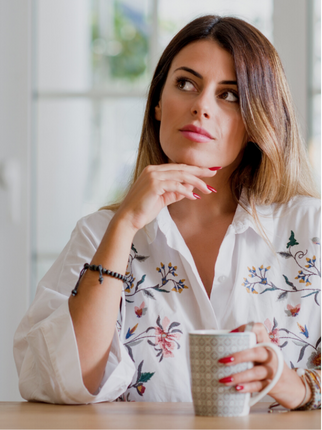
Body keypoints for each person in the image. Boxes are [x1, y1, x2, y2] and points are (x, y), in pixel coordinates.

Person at [14, 15, 320, 409]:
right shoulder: (100, 234)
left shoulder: (312, 229)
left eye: (229, 95)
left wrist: (295, 386)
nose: (201, 107)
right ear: (158, 104)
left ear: (255, 122)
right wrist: (125, 224)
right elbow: (61, 384)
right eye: (186, 84)